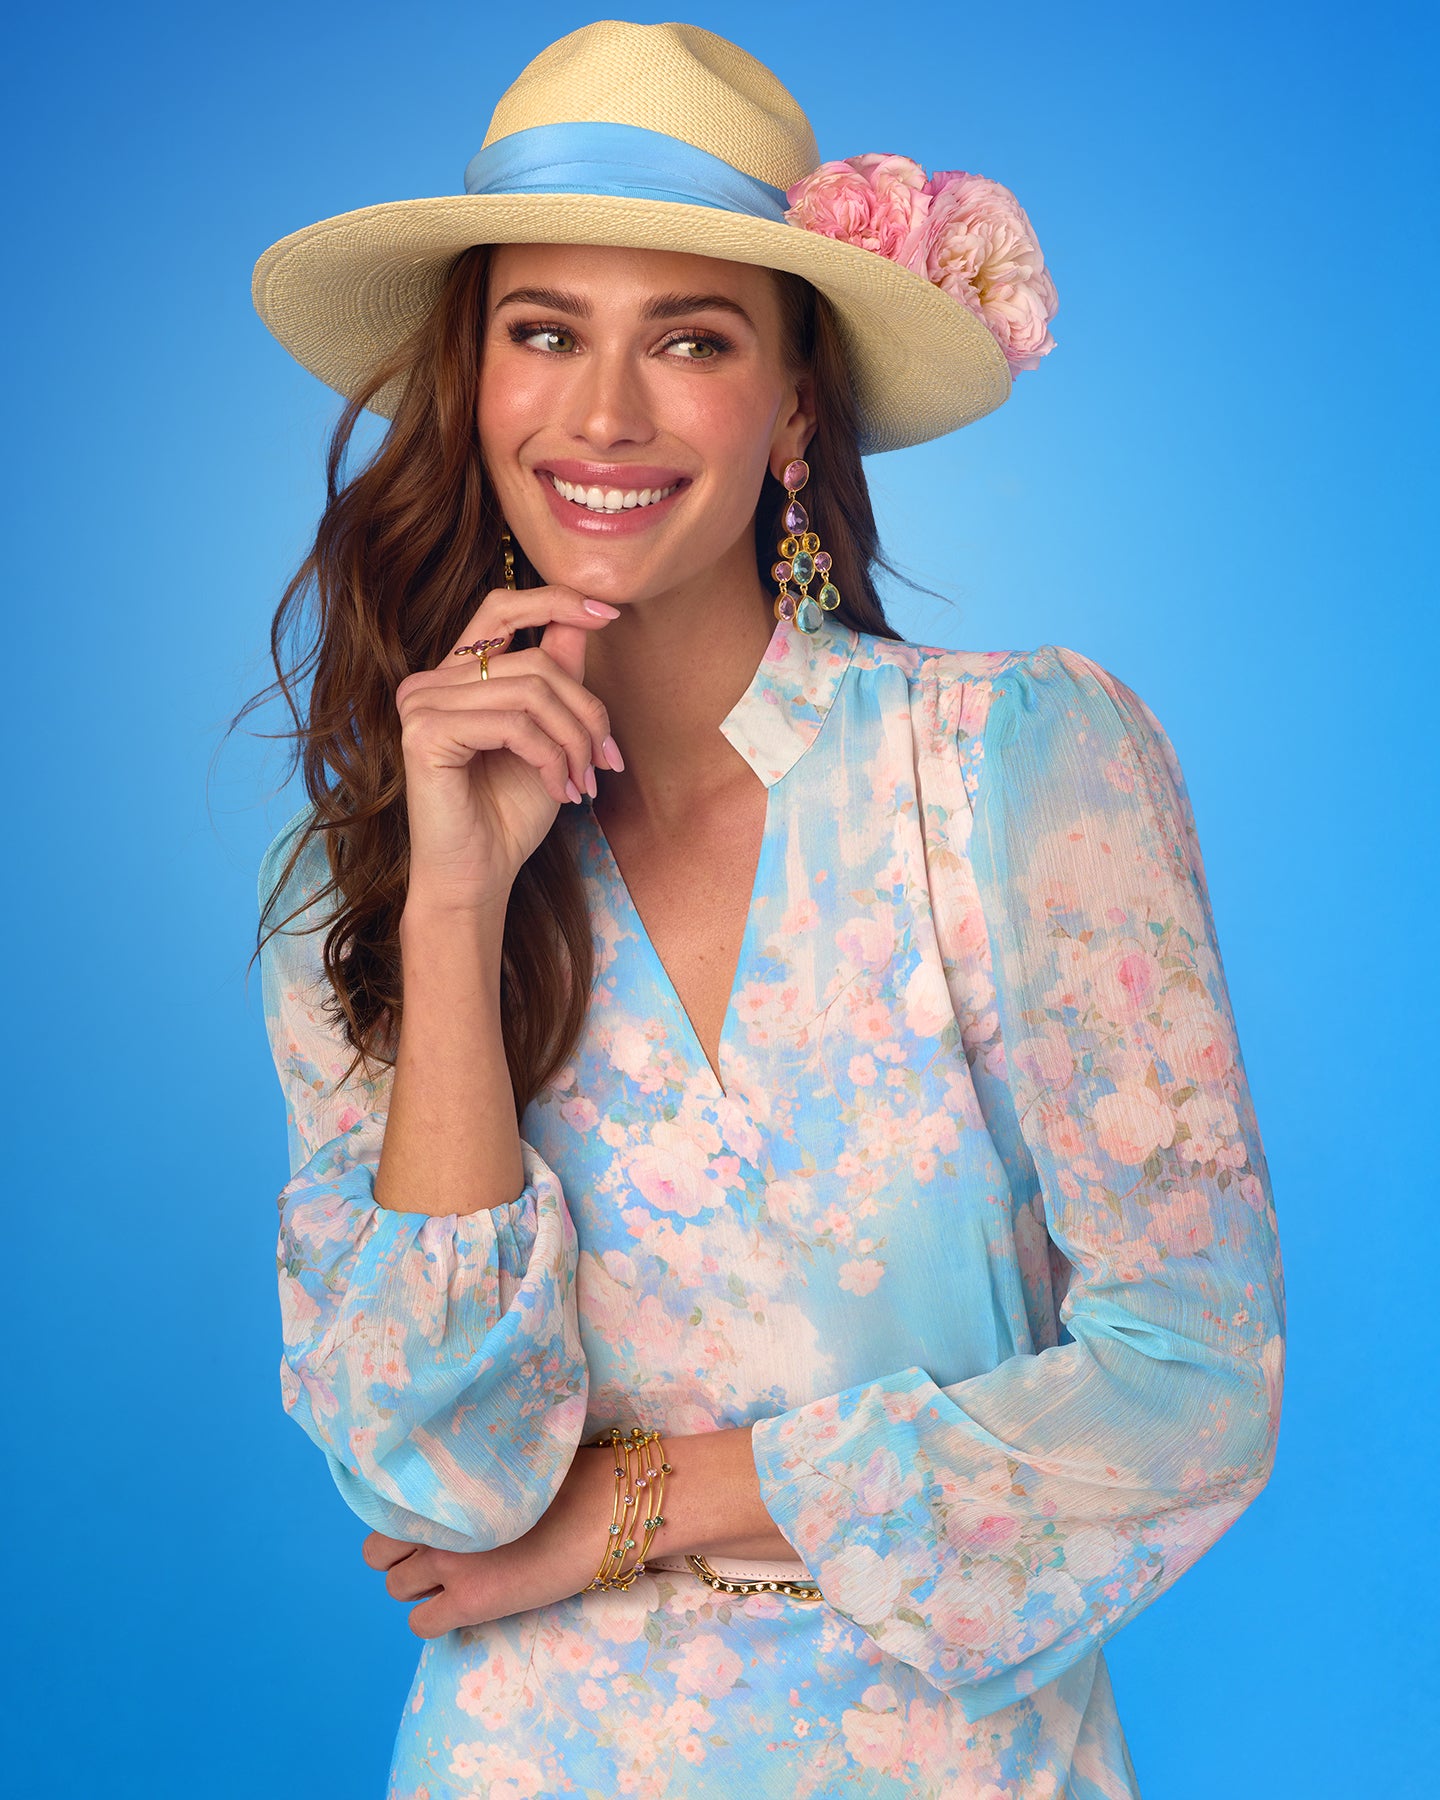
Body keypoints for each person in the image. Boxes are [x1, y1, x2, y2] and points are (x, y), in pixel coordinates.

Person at [247, 20, 1285, 1800]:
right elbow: (442, 1481)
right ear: (474, 382)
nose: (602, 413)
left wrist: (643, 1503)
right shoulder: (376, 888)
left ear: (796, 401)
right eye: (544, 332)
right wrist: (453, 911)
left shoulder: (1005, 770)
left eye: (692, 339)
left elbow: (1196, 1381)